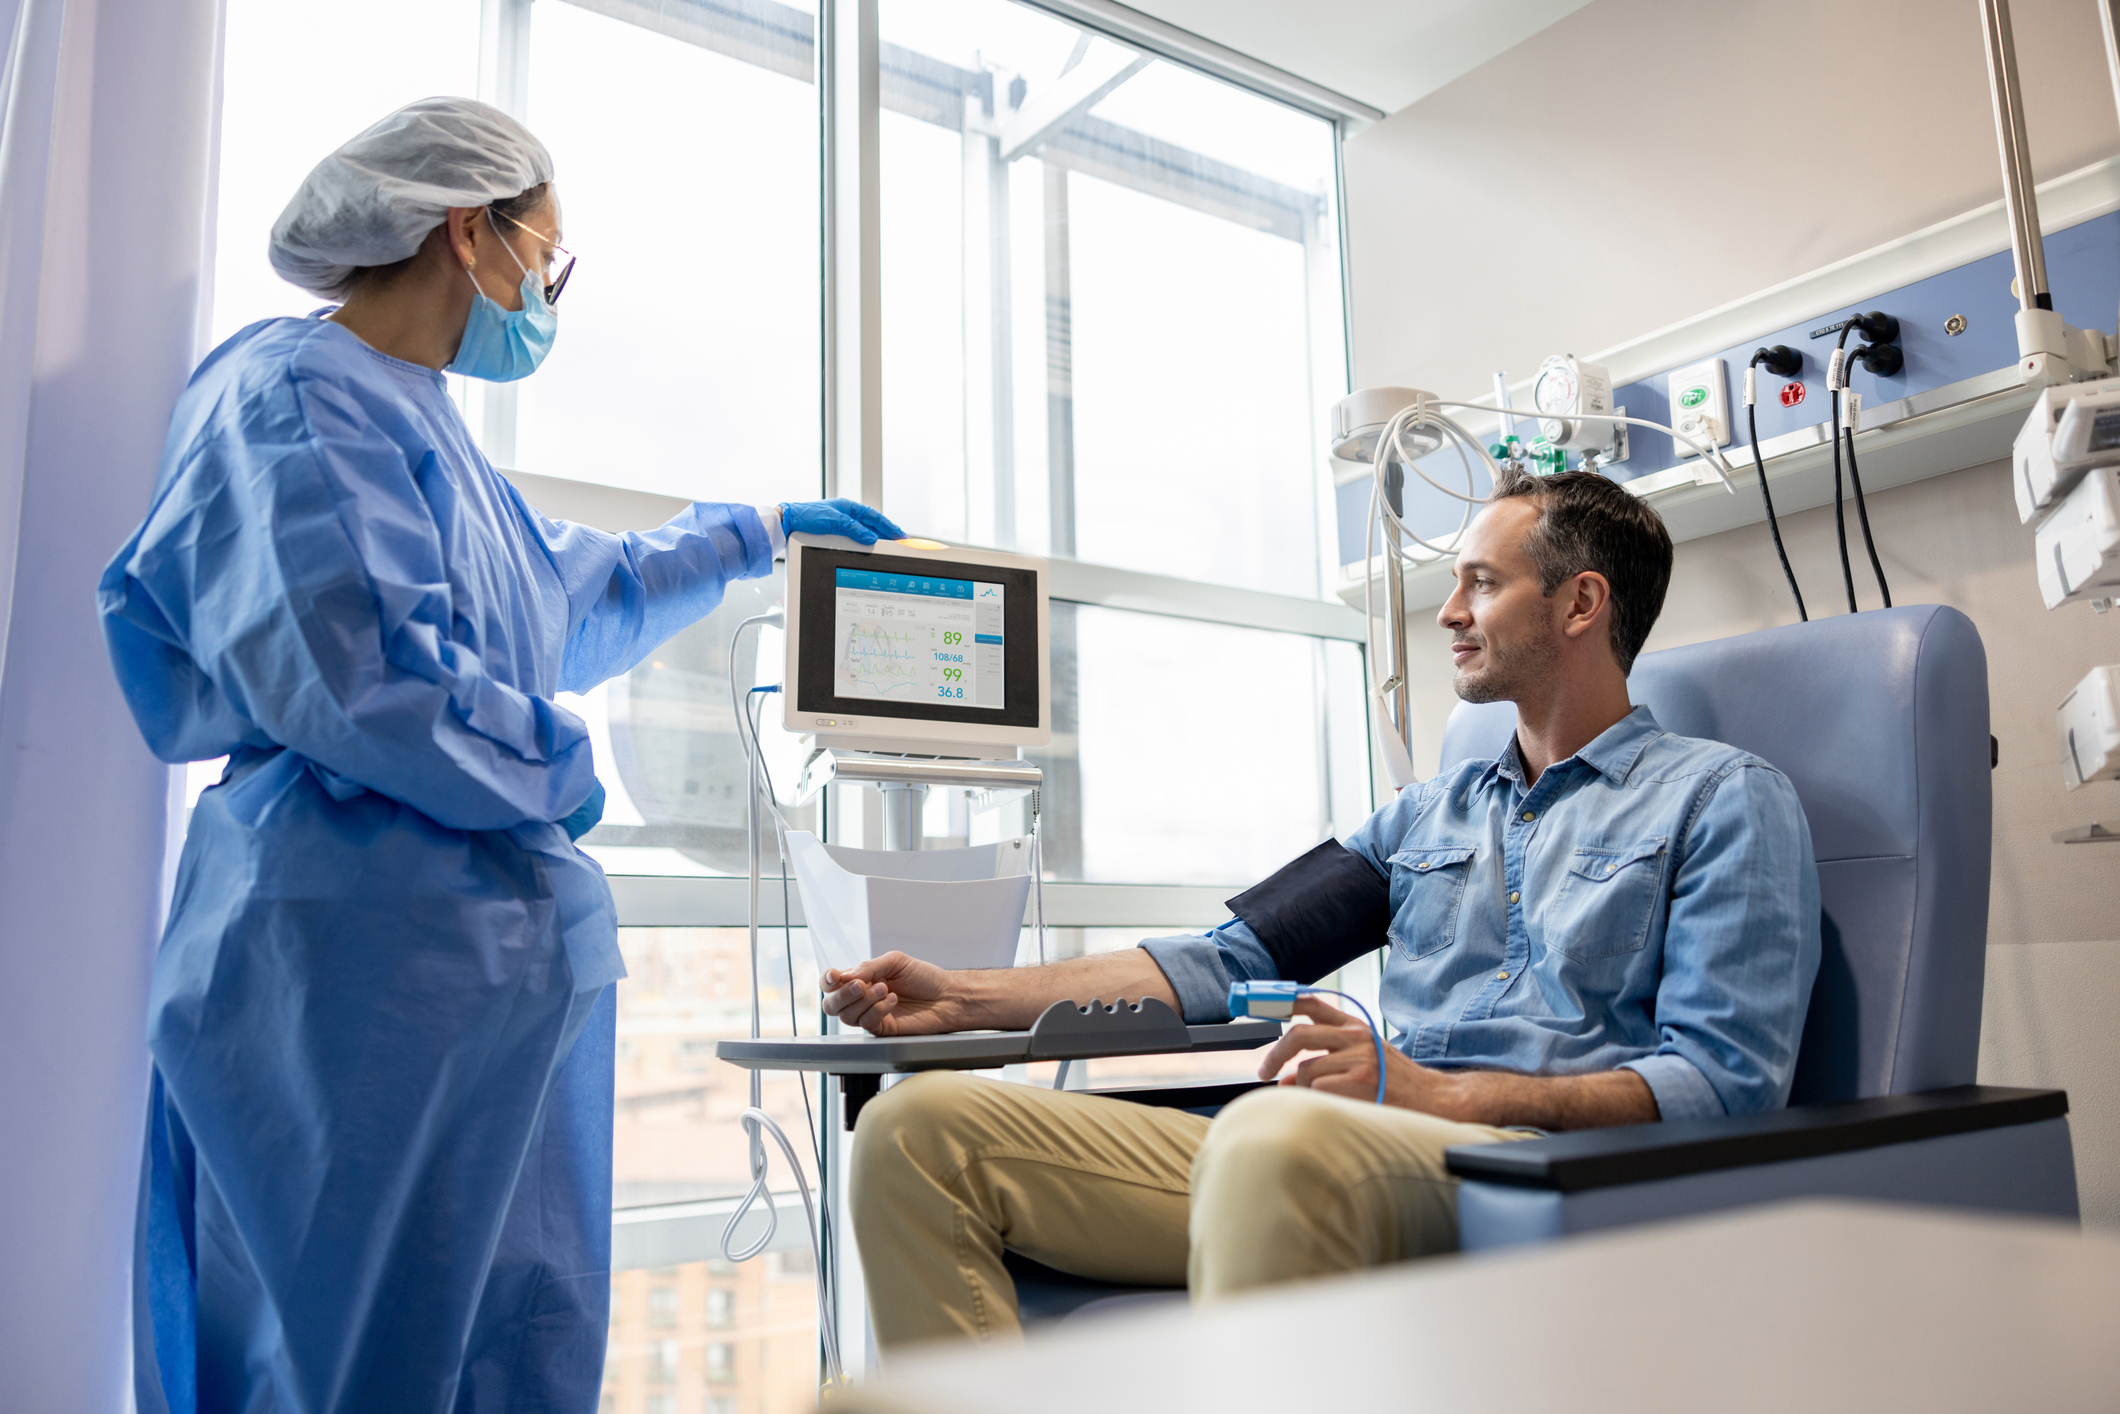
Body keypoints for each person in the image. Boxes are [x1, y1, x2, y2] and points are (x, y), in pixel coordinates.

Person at [98, 97, 901, 1413]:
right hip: (350, 965)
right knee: (346, 1349)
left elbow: (565, 597)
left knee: (506, 1340)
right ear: (470, 229)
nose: (547, 293)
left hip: (482, 985)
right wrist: (564, 771)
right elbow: (369, 678)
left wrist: (753, 531)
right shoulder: (293, 395)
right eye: (552, 257)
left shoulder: (425, 431)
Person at [825, 470, 1821, 1348]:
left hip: (1536, 1168)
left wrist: (1437, 1093)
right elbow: (1224, 960)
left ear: (1578, 604)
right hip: (1345, 1143)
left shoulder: (1718, 797)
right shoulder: (1425, 815)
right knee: (916, 1131)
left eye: (1480, 581)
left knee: (1275, 1136)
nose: (1446, 613)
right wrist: (962, 998)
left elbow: (1720, 1082)